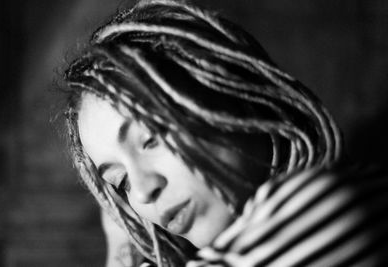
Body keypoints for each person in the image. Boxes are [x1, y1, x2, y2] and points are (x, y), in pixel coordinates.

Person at [61, 0, 388, 266]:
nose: (143, 192)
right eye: (121, 182)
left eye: (151, 137)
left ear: (237, 97)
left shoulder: (326, 208)